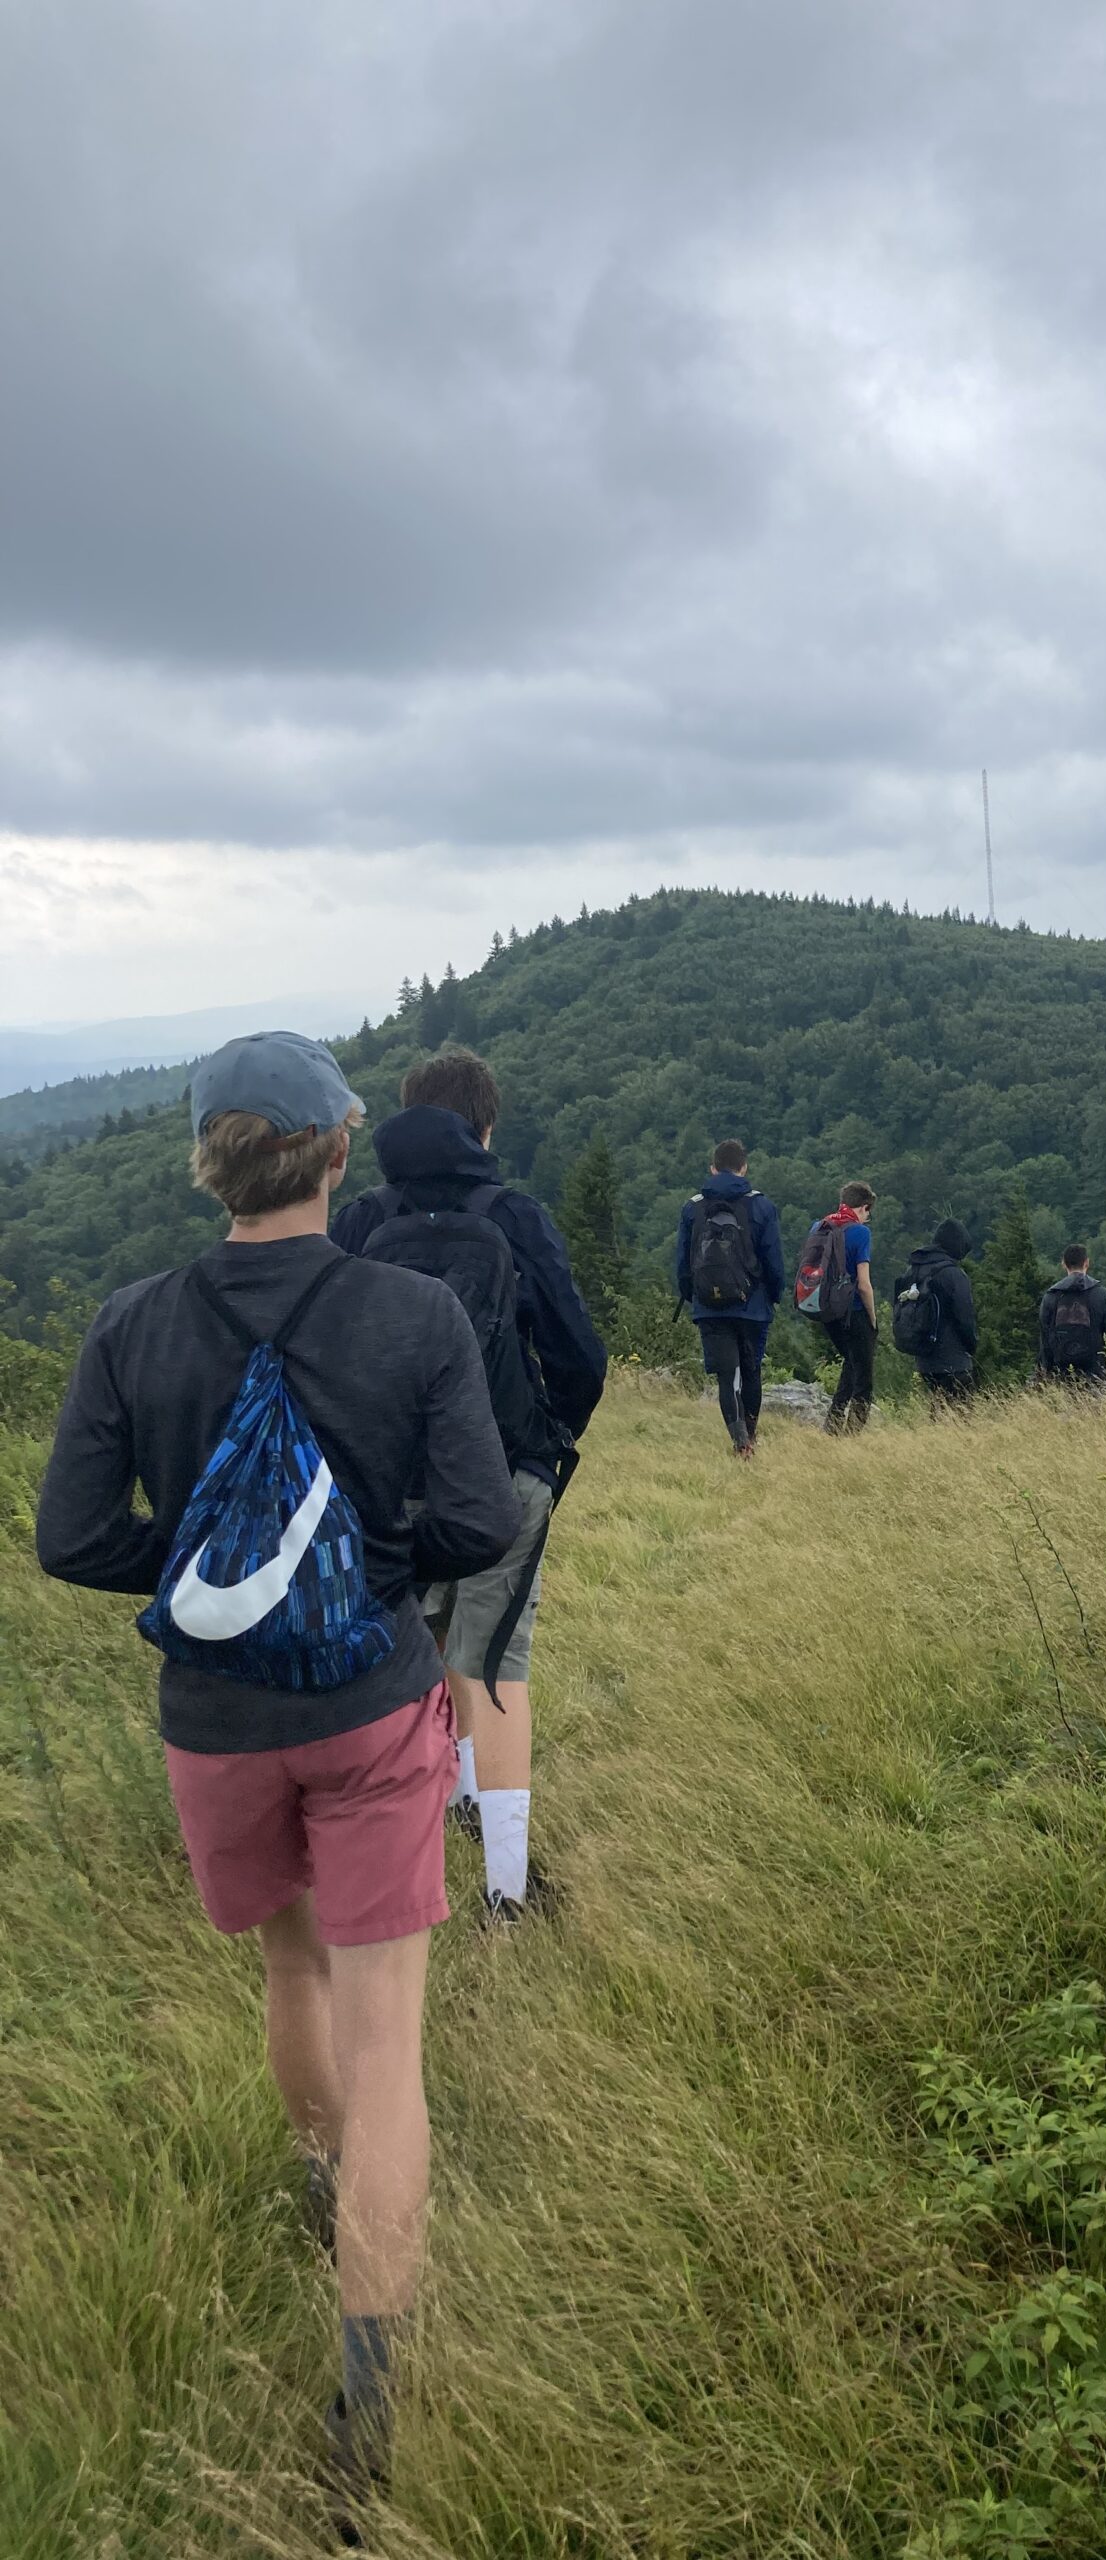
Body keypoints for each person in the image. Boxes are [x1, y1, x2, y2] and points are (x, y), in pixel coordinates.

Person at [34, 1031, 521, 2524]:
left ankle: (321, 2185)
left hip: (216, 1723)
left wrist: (191, 1577)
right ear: (332, 1153)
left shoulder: (133, 1322)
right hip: (373, 1711)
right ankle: (371, 2390)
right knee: (396, 2051)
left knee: (291, 1976)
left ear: (207, 1160)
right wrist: (371, 1581)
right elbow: (481, 1520)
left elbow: (68, 1538)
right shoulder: (413, 1311)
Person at [331, 1048, 606, 1926]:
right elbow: (579, 1357)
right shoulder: (513, 1216)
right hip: (501, 1475)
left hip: (382, 1486)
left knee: (410, 1657)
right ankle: (508, 1890)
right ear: (485, 1129)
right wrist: (542, 1449)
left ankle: (428, 1830)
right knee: (494, 1662)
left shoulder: (363, 1217)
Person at [674, 1139, 786, 1457]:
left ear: (712, 1168)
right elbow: (773, 1259)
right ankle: (750, 1436)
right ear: (744, 1167)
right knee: (751, 1371)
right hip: (753, 1304)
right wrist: (773, 1295)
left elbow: (683, 1262)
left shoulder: (692, 1207)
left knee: (727, 1376)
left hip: (709, 1306)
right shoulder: (761, 1206)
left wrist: (692, 1295)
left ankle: (740, 1444)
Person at [894, 1218, 978, 1405]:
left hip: (924, 1358)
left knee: (940, 1409)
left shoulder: (912, 1271)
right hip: (954, 1359)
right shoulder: (954, 1275)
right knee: (962, 1417)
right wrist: (971, 1346)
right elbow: (965, 1318)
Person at [817, 1180, 878, 1434]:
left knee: (850, 1362)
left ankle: (832, 1422)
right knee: (864, 1376)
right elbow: (863, 1284)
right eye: (868, 1212)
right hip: (853, 1310)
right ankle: (853, 1433)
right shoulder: (860, 1233)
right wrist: (872, 1318)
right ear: (863, 1207)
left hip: (826, 1309)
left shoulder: (819, 1226)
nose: (867, 1218)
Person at [1039, 1246, 1106, 1391]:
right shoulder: (1102, 1295)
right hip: (1096, 1374)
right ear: (1087, 1263)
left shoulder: (1051, 1297)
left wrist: (1046, 1373)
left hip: (1061, 1376)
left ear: (1063, 1264)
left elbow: (1045, 1341)